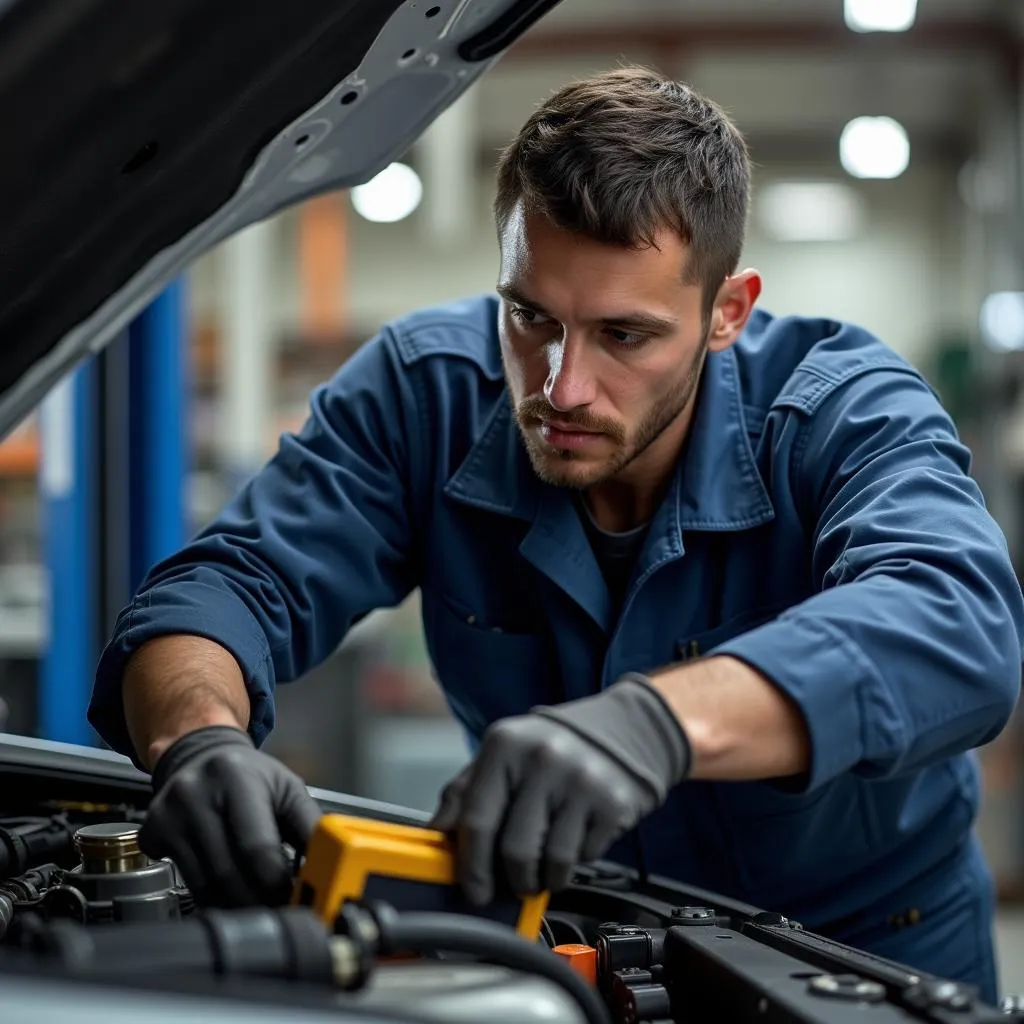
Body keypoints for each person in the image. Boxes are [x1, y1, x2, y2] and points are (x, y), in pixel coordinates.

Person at [88, 65, 1024, 1003]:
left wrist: (654, 724)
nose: (561, 387)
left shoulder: (842, 409)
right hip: (584, 937)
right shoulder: (426, 394)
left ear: (726, 313)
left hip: (860, 947)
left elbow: (958, 623)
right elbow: (228, 582)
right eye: (530, 315)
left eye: (625, 334)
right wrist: (198, 735)